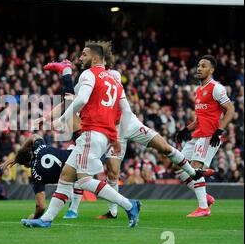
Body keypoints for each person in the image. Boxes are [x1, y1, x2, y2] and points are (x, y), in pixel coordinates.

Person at [21, 41, 141, 229]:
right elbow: (124, 111)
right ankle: (45, 220)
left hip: (91, 133)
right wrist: (115, 138)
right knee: (66, 177)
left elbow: (81, 100)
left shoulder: (89, 74)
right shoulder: (114, 81)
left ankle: (129, 205)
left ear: (95, 58)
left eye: (84, 55)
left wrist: (62, 120)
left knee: (84, 180)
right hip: (102, 134)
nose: (80, 58)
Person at [91, 41, 216, 220]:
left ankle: (194, 173)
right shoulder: (89, 77)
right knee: (112, 172)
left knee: (164, 147)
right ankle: (113, 212)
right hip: (114, 130)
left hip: (130, 123)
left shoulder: (113, 74)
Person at [175, 55, 235, 217]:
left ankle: (203, 208)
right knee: (180, 167)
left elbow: (230, 111)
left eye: (203, 66)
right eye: (198, 65)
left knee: (194, 167)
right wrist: (185, 130)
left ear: (211, 70)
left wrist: (220, 131)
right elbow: (200, 117)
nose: (199, 68)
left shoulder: (216, 88)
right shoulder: (199, 90)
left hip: (210, 135)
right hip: (197, 133)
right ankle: (205, 196)